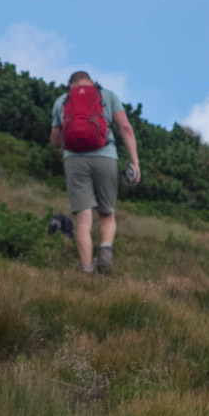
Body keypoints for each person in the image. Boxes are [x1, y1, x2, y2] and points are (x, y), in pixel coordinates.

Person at [49, 70, 141, 273]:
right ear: (91, 82)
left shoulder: (61, 101)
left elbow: (55, 140)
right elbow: (125, 128)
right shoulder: (107, 95)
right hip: (105, 156)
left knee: (83, 218)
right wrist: (134, 162)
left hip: (74, 159)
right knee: (107, 213)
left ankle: (87, 268)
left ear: (70, 85)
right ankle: (106, 251)